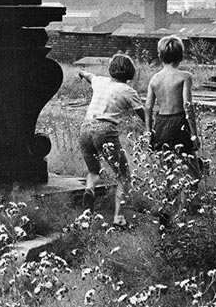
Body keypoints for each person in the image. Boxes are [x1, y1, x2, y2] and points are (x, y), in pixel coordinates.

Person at [77, 53, 145, 227]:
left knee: (93, 171)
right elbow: (143, 114)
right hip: (105, 130)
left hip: (85, 128)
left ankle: (89, 191)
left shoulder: (100, 81)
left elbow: (89, 76)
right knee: (123, 176)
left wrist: (82, 73)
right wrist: (153, 128)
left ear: (111, 69)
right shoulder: (129, 91)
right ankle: (119, 218)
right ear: (130, 72)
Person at [144, 35, 201, 178]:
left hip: (161, 124)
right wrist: (194, 134)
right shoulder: (185, 76)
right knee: (193, 173)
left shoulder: (155, 79)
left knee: (167, 172)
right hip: (179, 123)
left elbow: (148, 107)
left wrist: (148, 133)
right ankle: (186, 200)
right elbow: (187, 105)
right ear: (181, 56)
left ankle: (169, 198)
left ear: (160, 56)